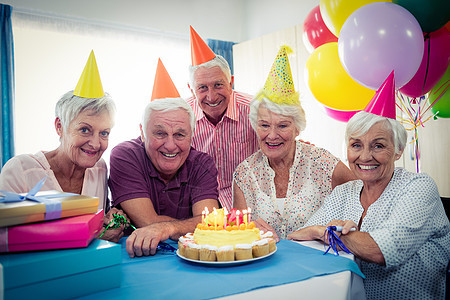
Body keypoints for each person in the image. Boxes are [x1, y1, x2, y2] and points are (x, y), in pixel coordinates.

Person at [287, 73, 450, 299]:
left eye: (378, 146)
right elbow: (298, 236)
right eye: (356, 145)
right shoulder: (344, 192)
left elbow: (381, 250)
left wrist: (326, 234)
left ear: (398, 150)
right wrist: (319, 231)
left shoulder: (419, 187)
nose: (365, 156)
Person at [0, 51, 126, 242]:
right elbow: (5, 239)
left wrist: (109, 221)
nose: (95, 143)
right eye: (85, 129)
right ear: (60, 126)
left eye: (104, 133)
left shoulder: (99, 168)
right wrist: (94, 235)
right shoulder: (21, 170)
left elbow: (96, 223)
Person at [233, 46, 355, 241]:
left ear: (297, 128)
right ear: (255, 126)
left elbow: (363, 193)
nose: (272, 135)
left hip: (317, 264)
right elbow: (237, 234)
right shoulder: (244, 174)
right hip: (266, 266)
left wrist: (345, 223)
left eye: (282, 126)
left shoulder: (322, 162)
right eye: (264, 125)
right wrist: (244, 229)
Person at [108, 59, 219, 258]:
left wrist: (166, 228)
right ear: (142, 132)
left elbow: (210, 224)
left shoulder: (202, 164)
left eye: (179, 134)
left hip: (191, 259)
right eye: (160, 133)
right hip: (135, 258)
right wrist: (188, 225)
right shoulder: (125, 155)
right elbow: (147, 221)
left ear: (192, 135)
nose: (170, 145)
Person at [186, 26, 259, 211]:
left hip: (250, 201)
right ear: (191, 89)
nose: (211, 96)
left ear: (231, 82)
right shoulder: (181, 117)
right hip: (197, 205)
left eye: (218, 85)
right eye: (202, 88)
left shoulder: (255, 110)